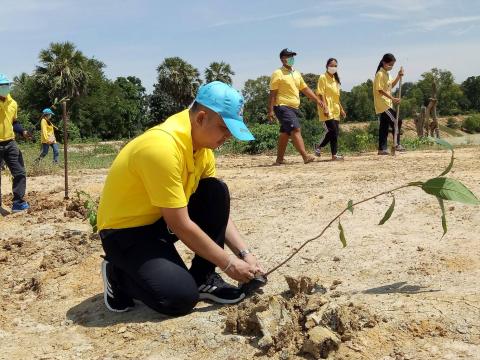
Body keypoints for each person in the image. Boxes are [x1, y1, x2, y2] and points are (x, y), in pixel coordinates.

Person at [97, 81, 265, 316]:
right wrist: (228, 264)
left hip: (160, 222)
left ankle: (203, 277)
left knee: (215, 191)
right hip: (125, 234)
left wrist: (244, 254)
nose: (228, 136)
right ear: (201, 118)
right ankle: (118, 274)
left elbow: (216, 212)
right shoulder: (162, 147)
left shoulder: (203, 148)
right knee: (178, 299)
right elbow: (180, 224)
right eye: (224, 128)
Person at [268, 48, 326, 165]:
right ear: (282, 59)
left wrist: (317, 100)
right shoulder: (277, 73)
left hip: (294, 107)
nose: (291, 59)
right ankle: (305, 156)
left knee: (285, 133)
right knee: (295, 129)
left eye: (292, 56)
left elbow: (304, 89)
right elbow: (272, 93)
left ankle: (279, 159)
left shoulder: (296, 73)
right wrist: (270, 110)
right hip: (282, 106)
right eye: (288, 56)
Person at [0, 73, 30, 212]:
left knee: (19, 172)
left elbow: (14, 122)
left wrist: (22, 131)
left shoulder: (13, 103)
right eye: (2, 86)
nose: (5, 88)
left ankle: (17, 202)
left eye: (7, 85)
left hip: (10, 142)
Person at [373, 53, 405, 155]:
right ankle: (396, 144)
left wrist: (398, 76)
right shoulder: (380, 74)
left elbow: (391, 86)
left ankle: (382, 149)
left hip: (388, 103)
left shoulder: (387, 74)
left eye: (392, 65)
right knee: (397, 121)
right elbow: (380, 90)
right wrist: (393, 98)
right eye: (390, 64)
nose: (391, 67)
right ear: (384, 63)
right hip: (383, 104)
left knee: (384, 127)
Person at [314, 58, 346, 160]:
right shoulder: (322, 77)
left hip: (335, 109)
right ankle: (318, 146)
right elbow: (320, 93)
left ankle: (334, 155)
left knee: (335, 132)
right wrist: (325, 107)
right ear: (327, 66)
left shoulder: (335, 80)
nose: (333, 67)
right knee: (332, 130)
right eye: (332, 65)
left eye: (335, 66)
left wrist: (341, 109)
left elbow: (337, 97)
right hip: (326, 108)